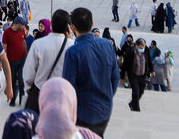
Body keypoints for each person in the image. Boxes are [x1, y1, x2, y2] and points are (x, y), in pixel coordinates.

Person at [61, 7, 118, 136]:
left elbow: (68, 88)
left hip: (83, 114)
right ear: (92, 24)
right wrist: (106, 98)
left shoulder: (73, 52)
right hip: (104, 110)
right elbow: (115, 78)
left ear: (73, 27)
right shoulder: (107, 45)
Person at [21, 9, 71, 112]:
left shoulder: (38, 44)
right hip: (64, 97)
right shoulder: (73, 46)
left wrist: (30, 90)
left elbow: (28, 73)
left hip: (41, 94)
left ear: (51, 24)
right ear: (68, 26)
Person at [1, 17, 29, 106]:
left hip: (22, 59)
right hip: (12, 61)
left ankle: (22, 99)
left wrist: (27, 55)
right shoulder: (7, 33)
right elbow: (4, 47)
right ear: (16, 24)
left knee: (21, 80)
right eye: (22, 25)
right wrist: (2, 61)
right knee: (12, 80)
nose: (24, 26)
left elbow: (24, 42)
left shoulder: (22, 31)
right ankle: (12, 99)